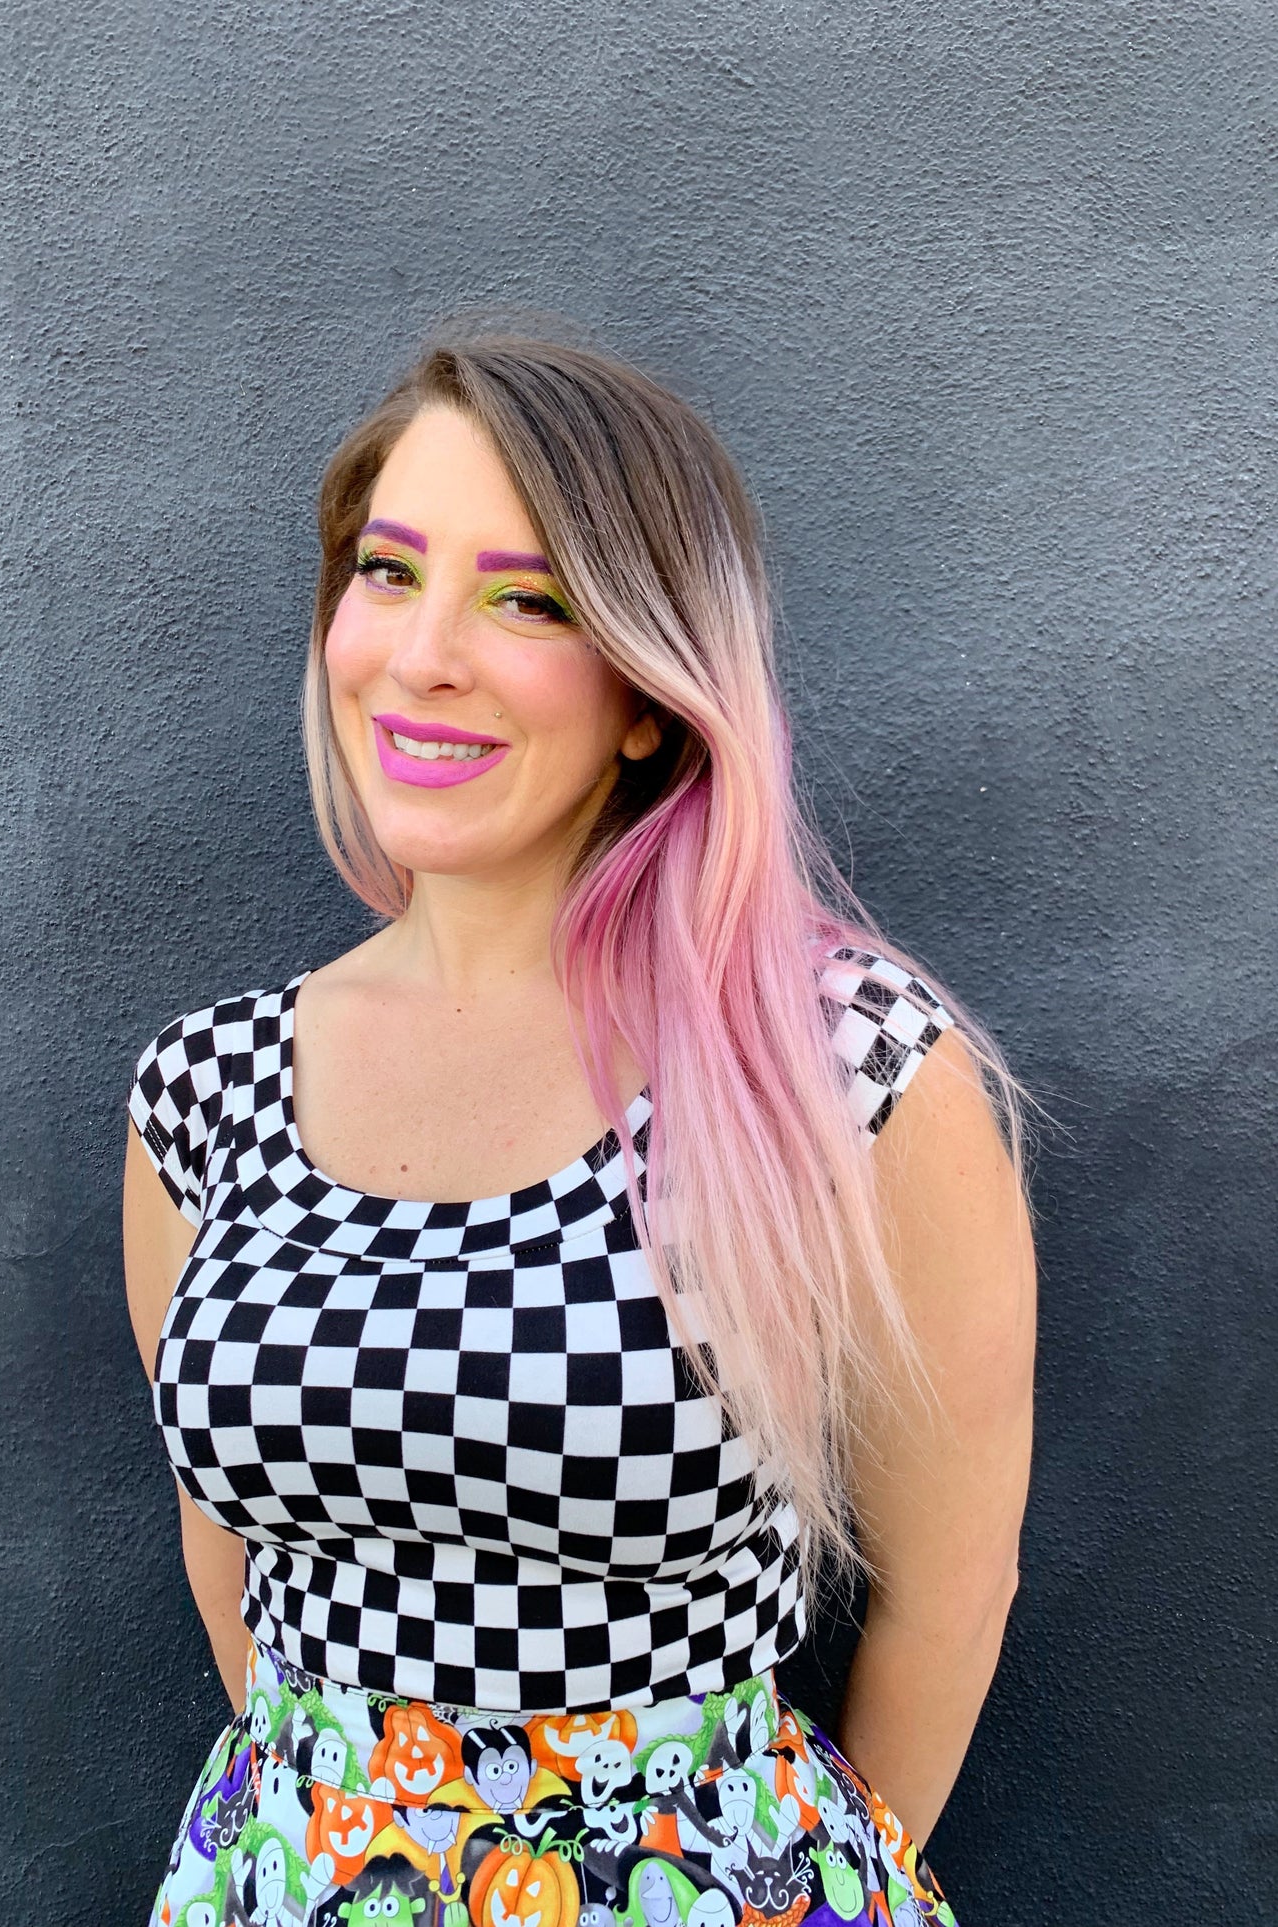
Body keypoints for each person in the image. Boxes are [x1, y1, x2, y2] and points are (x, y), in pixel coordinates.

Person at [123, 331, 1038, 1927]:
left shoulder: (841, 1069)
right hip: (287, 1879)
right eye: (388, 573)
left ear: (645, 693)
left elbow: (950, 1582)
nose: (420, 657)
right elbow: (234, 1573)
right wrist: (350, 1823)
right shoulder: (205, 1088)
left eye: (527, 599)